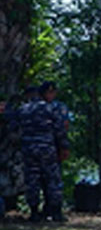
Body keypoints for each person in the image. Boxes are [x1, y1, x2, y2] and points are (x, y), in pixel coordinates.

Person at [1, 85, 69, 222]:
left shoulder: (22, 110)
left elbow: (11, 126)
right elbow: (60, 129)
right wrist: (64, 147)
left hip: (29, 149)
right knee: (52, 180)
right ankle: (55, 212)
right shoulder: (50, 108)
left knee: (32, 180)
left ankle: (34, 212)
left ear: (27, 96)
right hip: (47, 149)